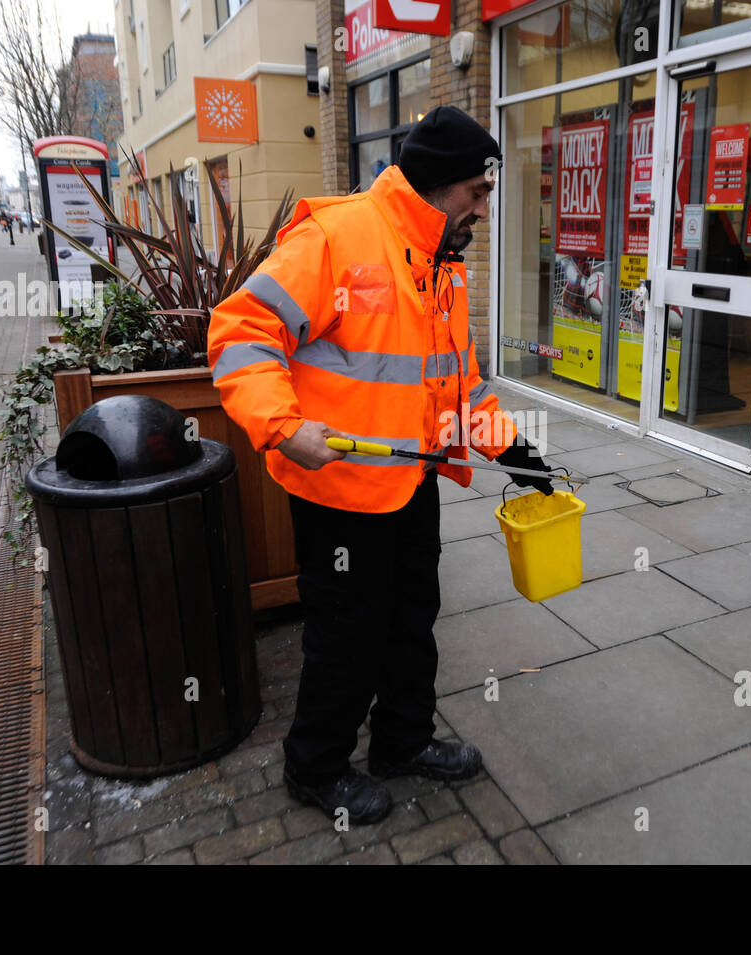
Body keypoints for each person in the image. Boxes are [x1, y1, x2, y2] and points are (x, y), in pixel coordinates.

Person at [208, 106, 554, 825]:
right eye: (476, 193)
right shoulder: (337, 236)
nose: (483, 209)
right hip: (339, 490)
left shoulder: (441, 265)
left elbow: (458, 382)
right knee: (345, 635)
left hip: (410, 480)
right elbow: (243, 328)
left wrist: (514, 451)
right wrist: (282, 426)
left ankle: (403, 741)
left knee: (411, 619)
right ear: (435, 187)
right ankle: (315, 766)